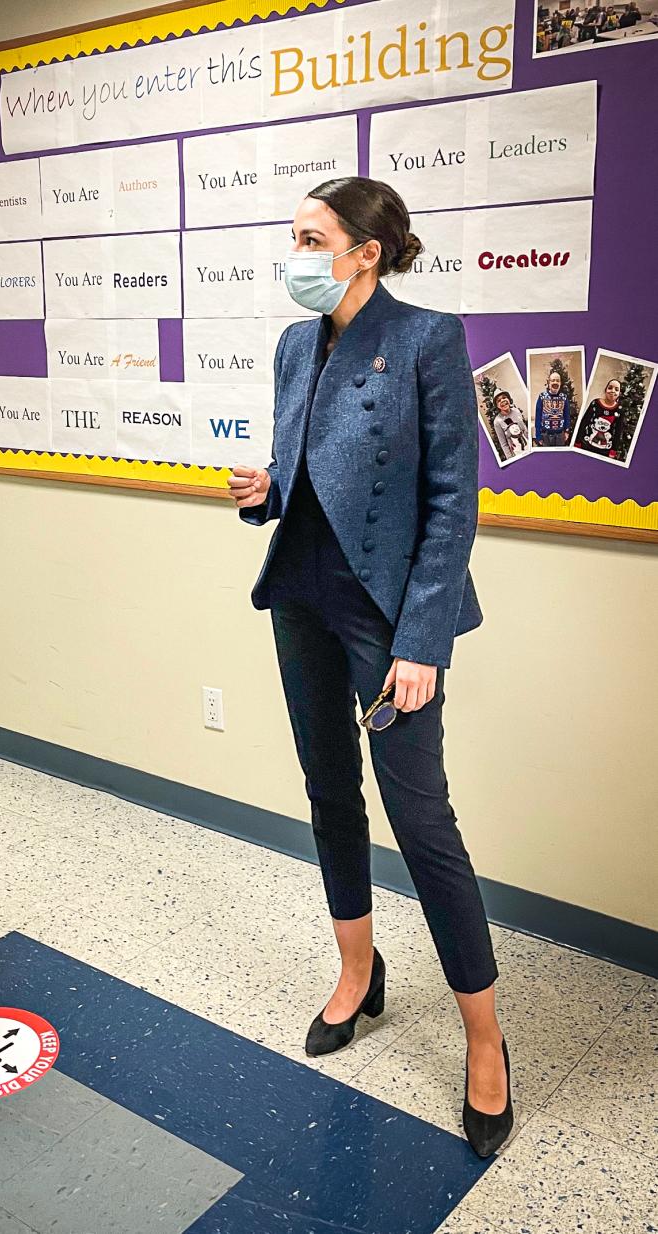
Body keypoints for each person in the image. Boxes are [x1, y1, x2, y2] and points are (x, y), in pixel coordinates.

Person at [229, 177, 512, 1159]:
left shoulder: (429, 338)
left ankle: (484, 1038)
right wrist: (262, 490)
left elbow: (451, 502)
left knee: (421, 820)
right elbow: (302, 470)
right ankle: (358, 973)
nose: (295, 253)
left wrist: (422, 640)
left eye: (312, 237)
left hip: (387, 618)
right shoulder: (291, 344)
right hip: (299, 596)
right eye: (295, 236)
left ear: (366, 253)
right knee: (327, 793)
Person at [574, 378, 626, 458]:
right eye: (610, 388)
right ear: (605, 390)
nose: (612, 391)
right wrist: (577, 441)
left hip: (604, 451)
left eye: (616, 389)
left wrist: (614, 450)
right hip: (586, 445)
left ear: (619, 393)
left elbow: (618, 432)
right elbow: (584, 422)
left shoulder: (620, 410)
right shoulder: (595, 403)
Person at [534, 370, 572, 446]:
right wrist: (538, 435)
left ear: (560, 383)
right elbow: (538, 417)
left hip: (560, 435)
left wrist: (567, 431)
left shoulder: (564, 397)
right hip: (545, 434)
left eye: (557, 381)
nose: (555, 382)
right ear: (549, 383)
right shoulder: (542, 396)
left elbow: (567, 415)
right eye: (553, 380)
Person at [492, 390, 529, 460]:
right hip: (517, 452)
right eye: (499, 400)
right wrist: (510, 459)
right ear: (497, 406)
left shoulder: (516, 411)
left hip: (528, 444)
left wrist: (531, 445)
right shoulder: (497, 421)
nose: (502, 400)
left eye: (504, 397)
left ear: (508, 399)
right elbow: (503, 443)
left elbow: (524, 429)